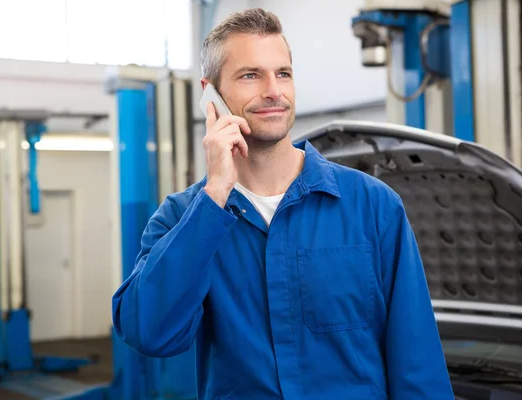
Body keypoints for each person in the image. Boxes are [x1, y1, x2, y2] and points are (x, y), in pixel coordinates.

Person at [112, 7, 454, 400]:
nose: (274, 90)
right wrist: (215, 196)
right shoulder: (180, 218)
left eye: (283, 74)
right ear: (212, 94)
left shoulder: (373, 207)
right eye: (250, 75)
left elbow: (417, 362)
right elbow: (150, 333)